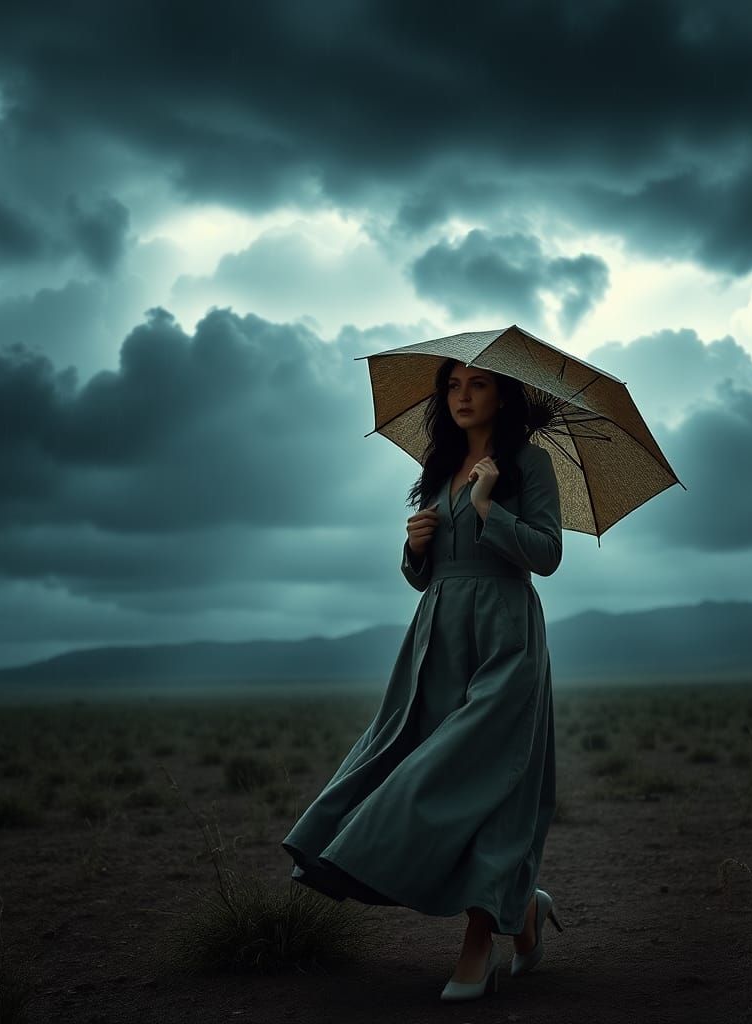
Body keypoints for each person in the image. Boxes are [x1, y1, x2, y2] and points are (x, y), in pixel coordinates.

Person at [281, 357, 564, 1001]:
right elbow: (427, 574)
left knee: (485, 778)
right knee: (418, 768)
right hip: (436, 641)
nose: (462, 396)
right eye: (453, 385)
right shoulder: (436, 470)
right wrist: (413, 547)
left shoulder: (530, 464)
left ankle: (477, 942)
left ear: (505, 394)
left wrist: (491, 508)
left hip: (505, 637)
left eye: (479, 383)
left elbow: (547, 556)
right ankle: (522, 914)